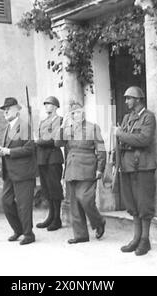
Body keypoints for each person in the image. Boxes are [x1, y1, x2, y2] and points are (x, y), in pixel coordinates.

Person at [113, 86, 156, 256]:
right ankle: (136, 238)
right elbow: (123, 141)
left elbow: (144, 139)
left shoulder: (148, 117)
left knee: (144, 204)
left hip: (144, 166)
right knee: (132, 204)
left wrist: (121, 135)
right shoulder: (126, 118)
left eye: (129, 98)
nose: (126, 102)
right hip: (127, 165)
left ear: (137, 99)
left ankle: (145, 240)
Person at [55, 101, 106, 244]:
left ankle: (99, 222)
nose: (75, 115)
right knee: (74, 203)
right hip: (71, 168)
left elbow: (101, 149)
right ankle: (81, 235)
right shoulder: (68, 129)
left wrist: (100, 168)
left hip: (87, 167)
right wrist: (62, 126)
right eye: (72, 113)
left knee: (85, 199)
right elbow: (57, 143)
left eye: (77, 112)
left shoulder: (93, 127)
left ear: (83, 113)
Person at [0, 97, 37, 245]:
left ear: (17, 109)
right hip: (10, 172)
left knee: (24, 205)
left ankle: (28, 234)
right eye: (4, 109)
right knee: (6, 202)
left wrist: (8, 151)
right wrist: (3, 151)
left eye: (8, 108)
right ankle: (18, 230)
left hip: (23, 172)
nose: (5, 111)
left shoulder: (24, 126)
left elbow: (29, 148)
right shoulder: (8, 127)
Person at [35, 96, 64, 231]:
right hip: (42, 159)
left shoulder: (59, 120)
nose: (46, 106)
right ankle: (51, 216)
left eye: (49, 104)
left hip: (53, 158)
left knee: (55, 189)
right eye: (45, 104)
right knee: (46, 189)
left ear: (56, 106)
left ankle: (57, 218)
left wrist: (39, 141)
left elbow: (53, 139)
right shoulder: (43, 122)